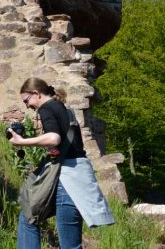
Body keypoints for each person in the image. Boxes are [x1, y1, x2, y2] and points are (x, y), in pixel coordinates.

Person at [8, 77, 115, 249]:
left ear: (36, 94)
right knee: (67, 242)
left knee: (28, 220)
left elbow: (54, 138)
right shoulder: (64, 110)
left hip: (67, 180)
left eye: (27, 101)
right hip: (78, 177)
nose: (27, 106)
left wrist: (21, 142)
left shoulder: (47, 107)